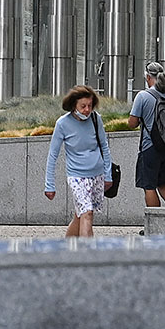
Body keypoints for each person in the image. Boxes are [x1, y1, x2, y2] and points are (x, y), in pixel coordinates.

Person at [44, 85, 114, 238]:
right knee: (87, 214)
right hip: (77, 176)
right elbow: (52, 155)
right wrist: (49, 184)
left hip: (97, 175)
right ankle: (87, 256)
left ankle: (68, 248)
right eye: (83, 106)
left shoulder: (96, 119)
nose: (87, 110)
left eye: (90, 106)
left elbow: (105, 147)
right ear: (73, 105)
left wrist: (108, 175)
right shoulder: (62, 124)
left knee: (81, 215)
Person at [128, 61, 165, 208]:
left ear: (148, 77)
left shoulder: (143, 96)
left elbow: (132, 123)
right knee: (164, 183)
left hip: (150, 147)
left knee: (149, 186)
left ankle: (153, 225)